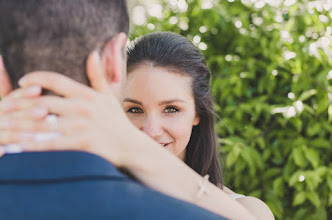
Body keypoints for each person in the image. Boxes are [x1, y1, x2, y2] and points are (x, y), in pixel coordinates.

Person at [0, 31, 274, 220]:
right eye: (134, 110)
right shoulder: (92, 191)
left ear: (197, 113)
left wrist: (135, 149)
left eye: (171, 109)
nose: (151, 130)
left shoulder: (248, 209)